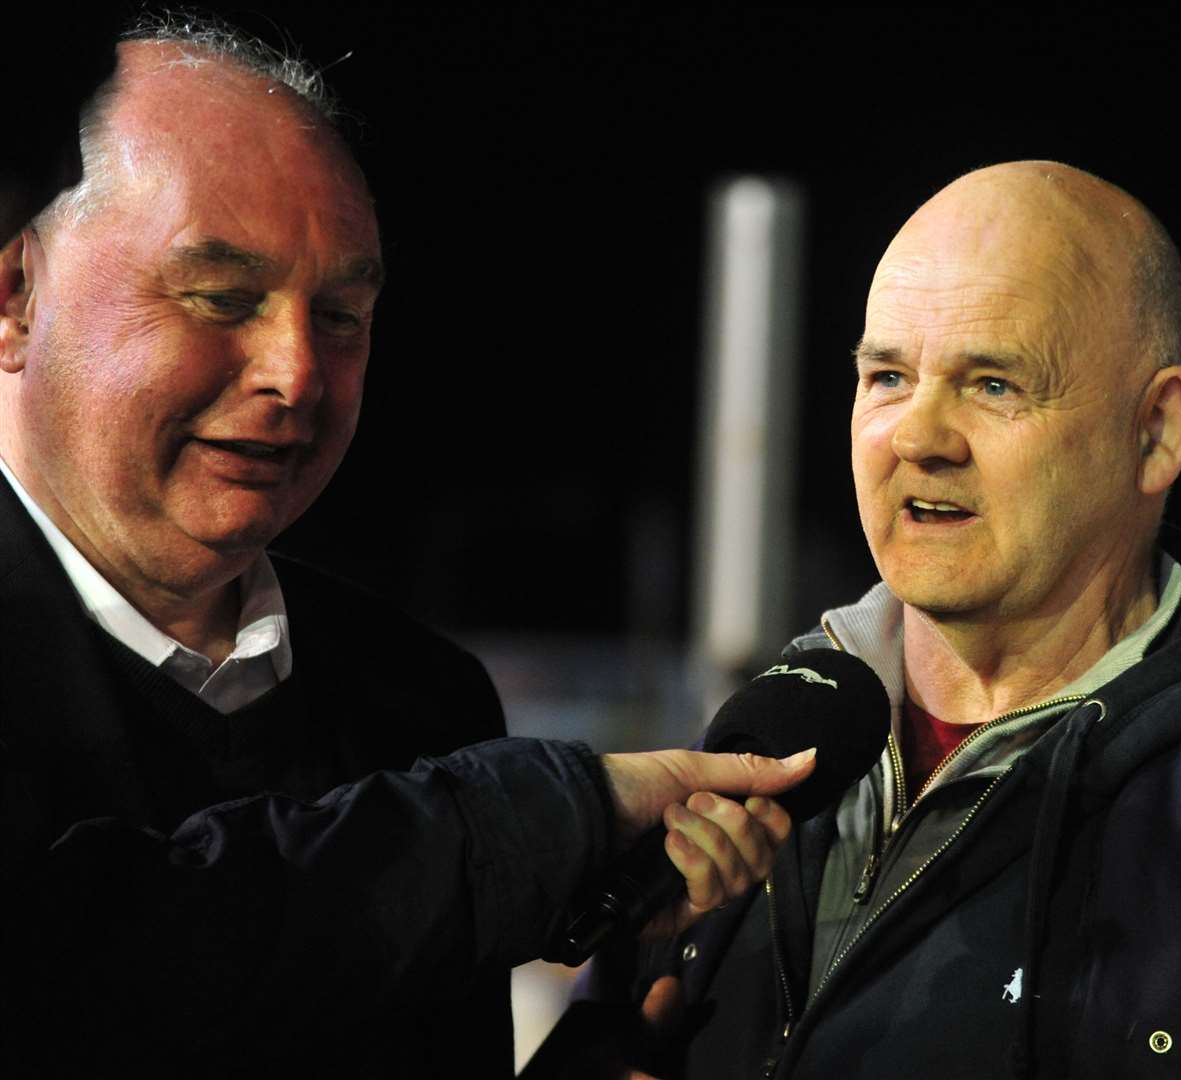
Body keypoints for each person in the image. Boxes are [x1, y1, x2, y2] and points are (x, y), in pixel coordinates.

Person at [0, 19, 809, 1078]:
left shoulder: (420, 701)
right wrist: (536, 820)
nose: (295, 372)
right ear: (15, 292)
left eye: (341, 314)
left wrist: (611, 1037)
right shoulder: (473, 787)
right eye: (221, 299)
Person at [580, 162, 1181, 1078]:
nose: (919, 436)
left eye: (994, 385)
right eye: (887, 375)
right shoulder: (755, 763)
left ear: (1157, 430)